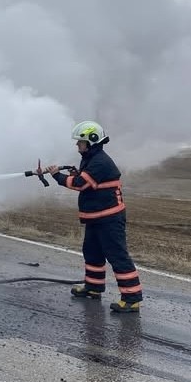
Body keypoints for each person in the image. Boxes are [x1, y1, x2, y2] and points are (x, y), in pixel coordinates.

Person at [43, 121, 143, 313]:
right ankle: (94, 288)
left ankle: (131, 298)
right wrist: (74, 173)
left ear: (91, 141)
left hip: (109, 219)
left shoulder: (100, 162)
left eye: (80, 141)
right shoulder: (90, 158)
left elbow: (81, 184)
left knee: (117, 256)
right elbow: (86, 178)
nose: (77, 145)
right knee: (92, 252)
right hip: (96, 218)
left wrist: (57, 176)